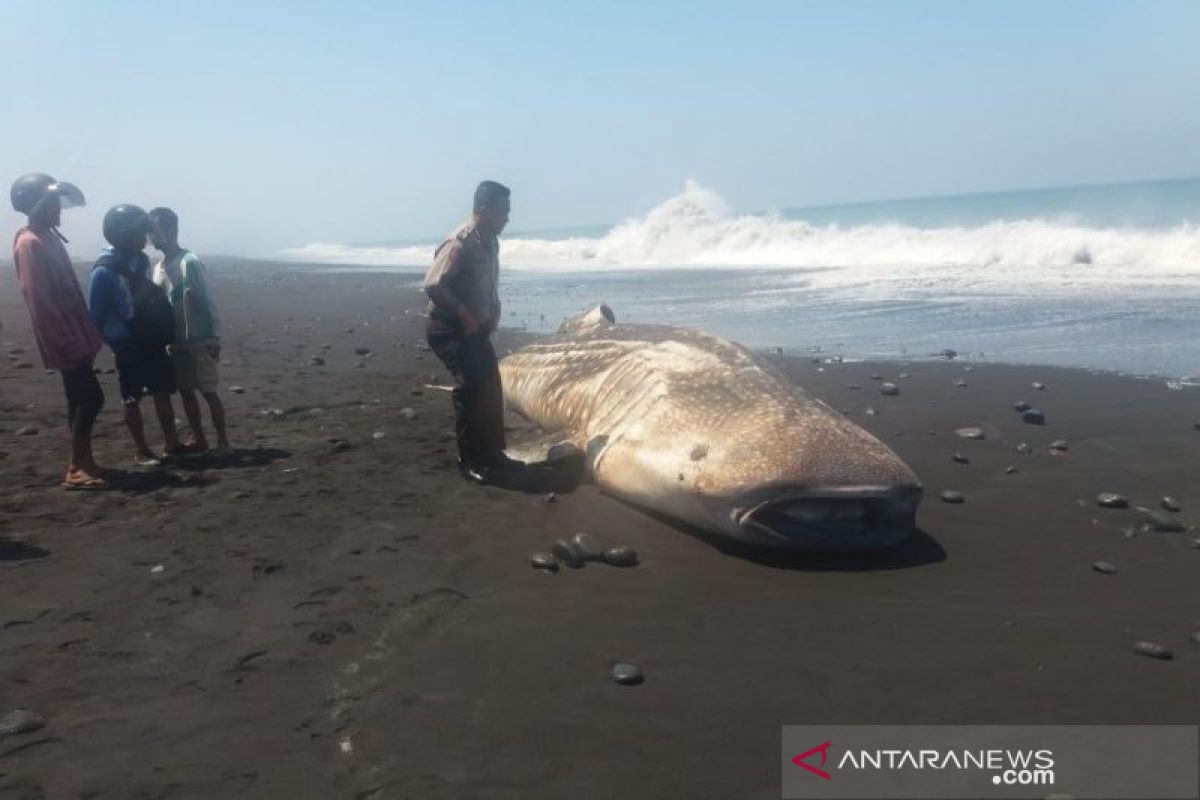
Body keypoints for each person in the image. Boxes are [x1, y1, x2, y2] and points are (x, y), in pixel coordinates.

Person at [9, 173, 108, 489]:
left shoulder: (49, 237)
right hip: (64, 338)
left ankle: (84, 460)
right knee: (90, 397)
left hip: (76, 333)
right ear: (34, 204)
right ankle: (77, 466)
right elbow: (39, 300)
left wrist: (87, 333)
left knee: (80, 397)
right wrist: (68, 341)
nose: (58, 210)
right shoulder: (30, 242)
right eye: (52, 203)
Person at [424, 180, 523, 483]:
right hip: (447, 328)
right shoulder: (460, 242)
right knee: (470, 389)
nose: (508, 217)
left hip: (474, 328)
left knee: (491, 384)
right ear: (484, 210)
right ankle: (469, 461)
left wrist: (494, 307)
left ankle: (493, 453)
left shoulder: (491, 240)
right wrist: (462, 312)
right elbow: (434, 283)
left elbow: (488, 280)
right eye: (503, 211)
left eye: (508, 211)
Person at [88, 204, 186, 465]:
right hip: (126, 342)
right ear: (122, 235)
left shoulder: (139, 260)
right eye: (139, 234)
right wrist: (94, 349)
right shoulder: (103, 271)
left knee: (162, 390)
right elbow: (96, 315)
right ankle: (142, 450)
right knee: (131, 396)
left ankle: (172, 443)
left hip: (149, 335)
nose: (144, 241)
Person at [148, 207, 229, 455]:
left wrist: (214, 336)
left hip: (199, 337)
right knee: (186, 391)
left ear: (173, 229)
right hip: (176, 340)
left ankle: (223, 441)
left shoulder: (189, 262)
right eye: (151, 231)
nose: (153, 236)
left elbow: (205, 300)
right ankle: (200, 438)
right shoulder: (158, 267)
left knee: (208, 391)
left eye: (158, 229)